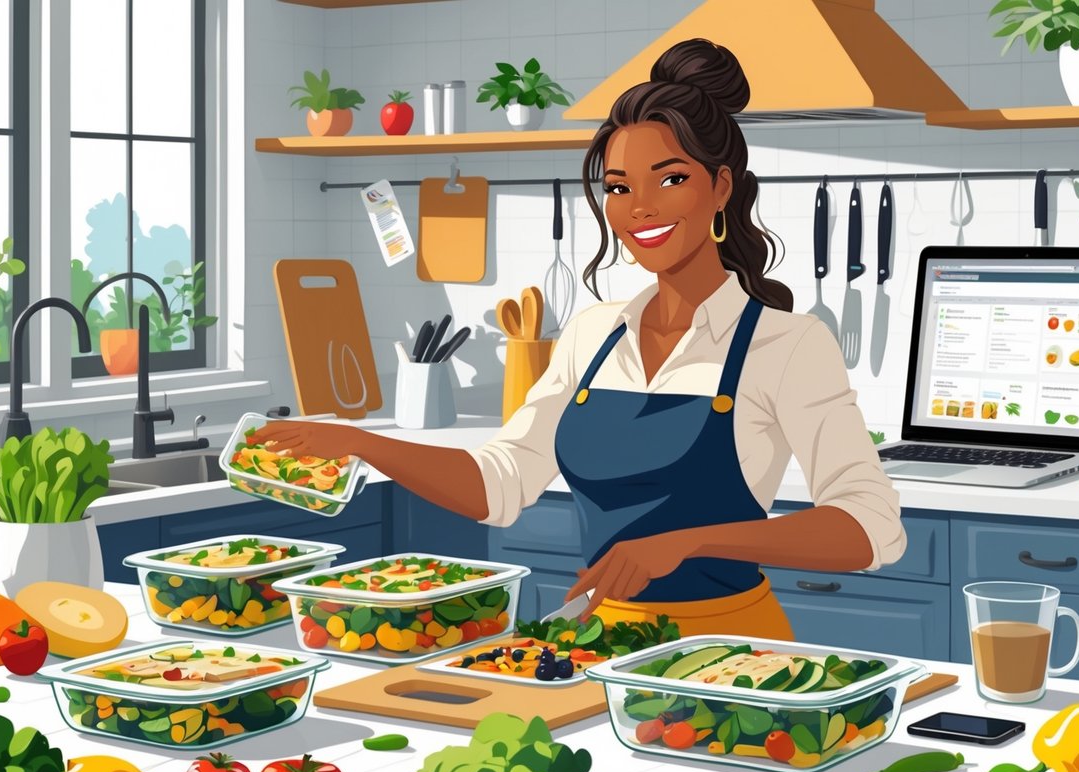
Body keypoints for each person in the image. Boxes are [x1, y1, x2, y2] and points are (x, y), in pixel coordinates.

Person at [249, 38, 905, 640]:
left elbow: (869, 527)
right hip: (598, 637)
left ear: (720, 188)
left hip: (733, 647)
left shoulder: (785, 344)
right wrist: (362, 443)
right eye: (619, 188)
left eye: (669, 179)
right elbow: (499, 483)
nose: (639, 207)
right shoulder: (594, 333)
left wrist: (689, 542)